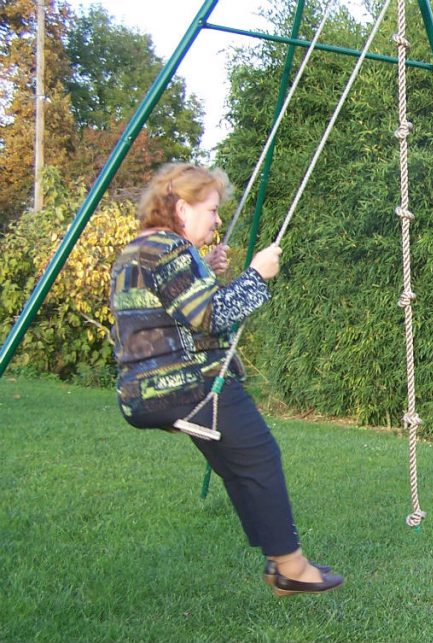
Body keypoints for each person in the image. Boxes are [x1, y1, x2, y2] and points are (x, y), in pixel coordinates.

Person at [109, 163, 343, 595]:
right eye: (212, 210)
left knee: (240, 465)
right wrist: (257, 276)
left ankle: (281, 562)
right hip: (186, 385)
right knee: (259, 457)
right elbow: (212, 317)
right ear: (182, 208)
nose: (218, 220)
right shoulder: (169, 251)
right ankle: (291, 568)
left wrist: (204, 268)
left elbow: (172, 312)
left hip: (143, 391)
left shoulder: (140, 250)